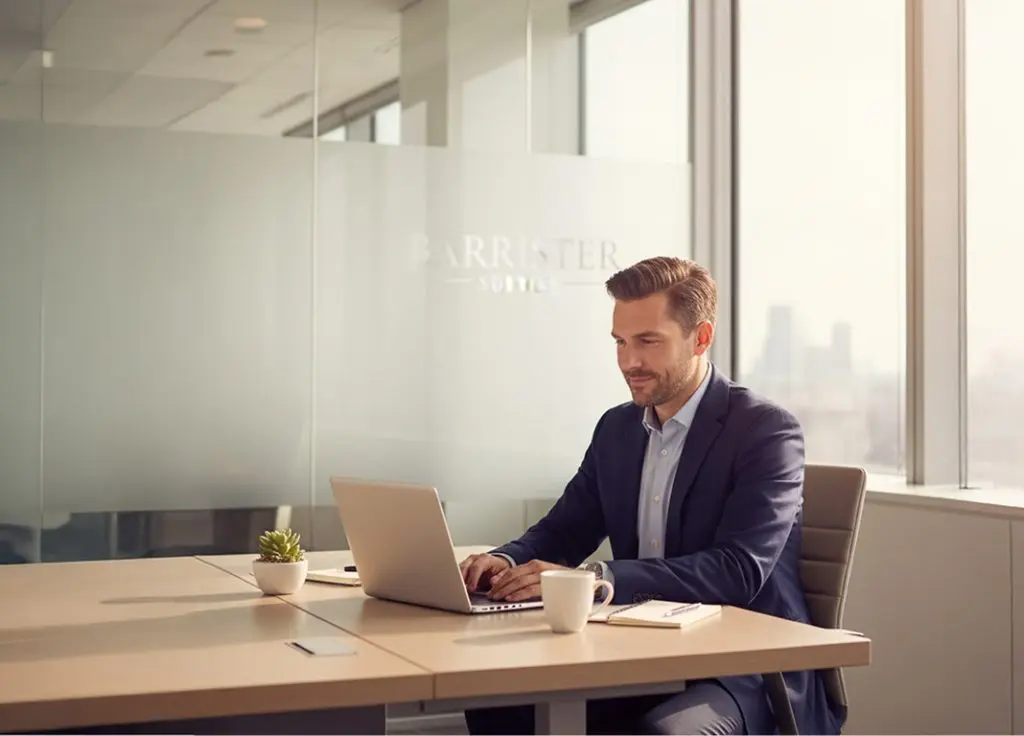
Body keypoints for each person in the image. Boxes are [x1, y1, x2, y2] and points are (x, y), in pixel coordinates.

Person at [458, 257, 843, 736]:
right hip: (640, 654)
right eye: (620, 342)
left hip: (740, 670)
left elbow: (737, 570)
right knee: (499, 703)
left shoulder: (765, 431)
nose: (628, 362)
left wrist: (597, 578)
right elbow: (565, 529)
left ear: (700, 338)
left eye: (648, 342)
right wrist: (505, 560)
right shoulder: (617, 428)